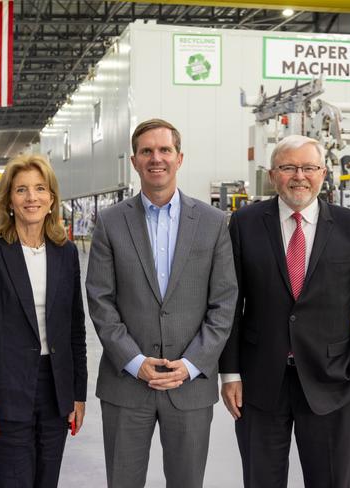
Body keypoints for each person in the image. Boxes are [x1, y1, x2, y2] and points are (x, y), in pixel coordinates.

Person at [219, 134, 350, 488]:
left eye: (308, 167)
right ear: (272, 174)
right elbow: (230, 304)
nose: (299, 176)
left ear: (323, 172)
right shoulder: (245, 223)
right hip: (259, 381)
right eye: (288, 167)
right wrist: (230, 373)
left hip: (333, 380)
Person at [86, 118, 237, 488]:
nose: (157, 158)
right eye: (147, 151)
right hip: (126, 383)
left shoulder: (214, 222)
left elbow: (224, 302)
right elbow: (100, 300)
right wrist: (135, 362)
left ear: (179, 158)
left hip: (190, 385)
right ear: (135, 161)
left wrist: (190, 365)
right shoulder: (110, 223)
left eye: (165, 150)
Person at [0, 154, 87, 488]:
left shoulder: (66, 253)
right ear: (9, 201)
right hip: (5, 393)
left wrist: (77, 394)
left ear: (51, 199)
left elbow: (76, 329)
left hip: (55, 393)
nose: (31, 197)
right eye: (21, 190)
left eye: (39, 189)